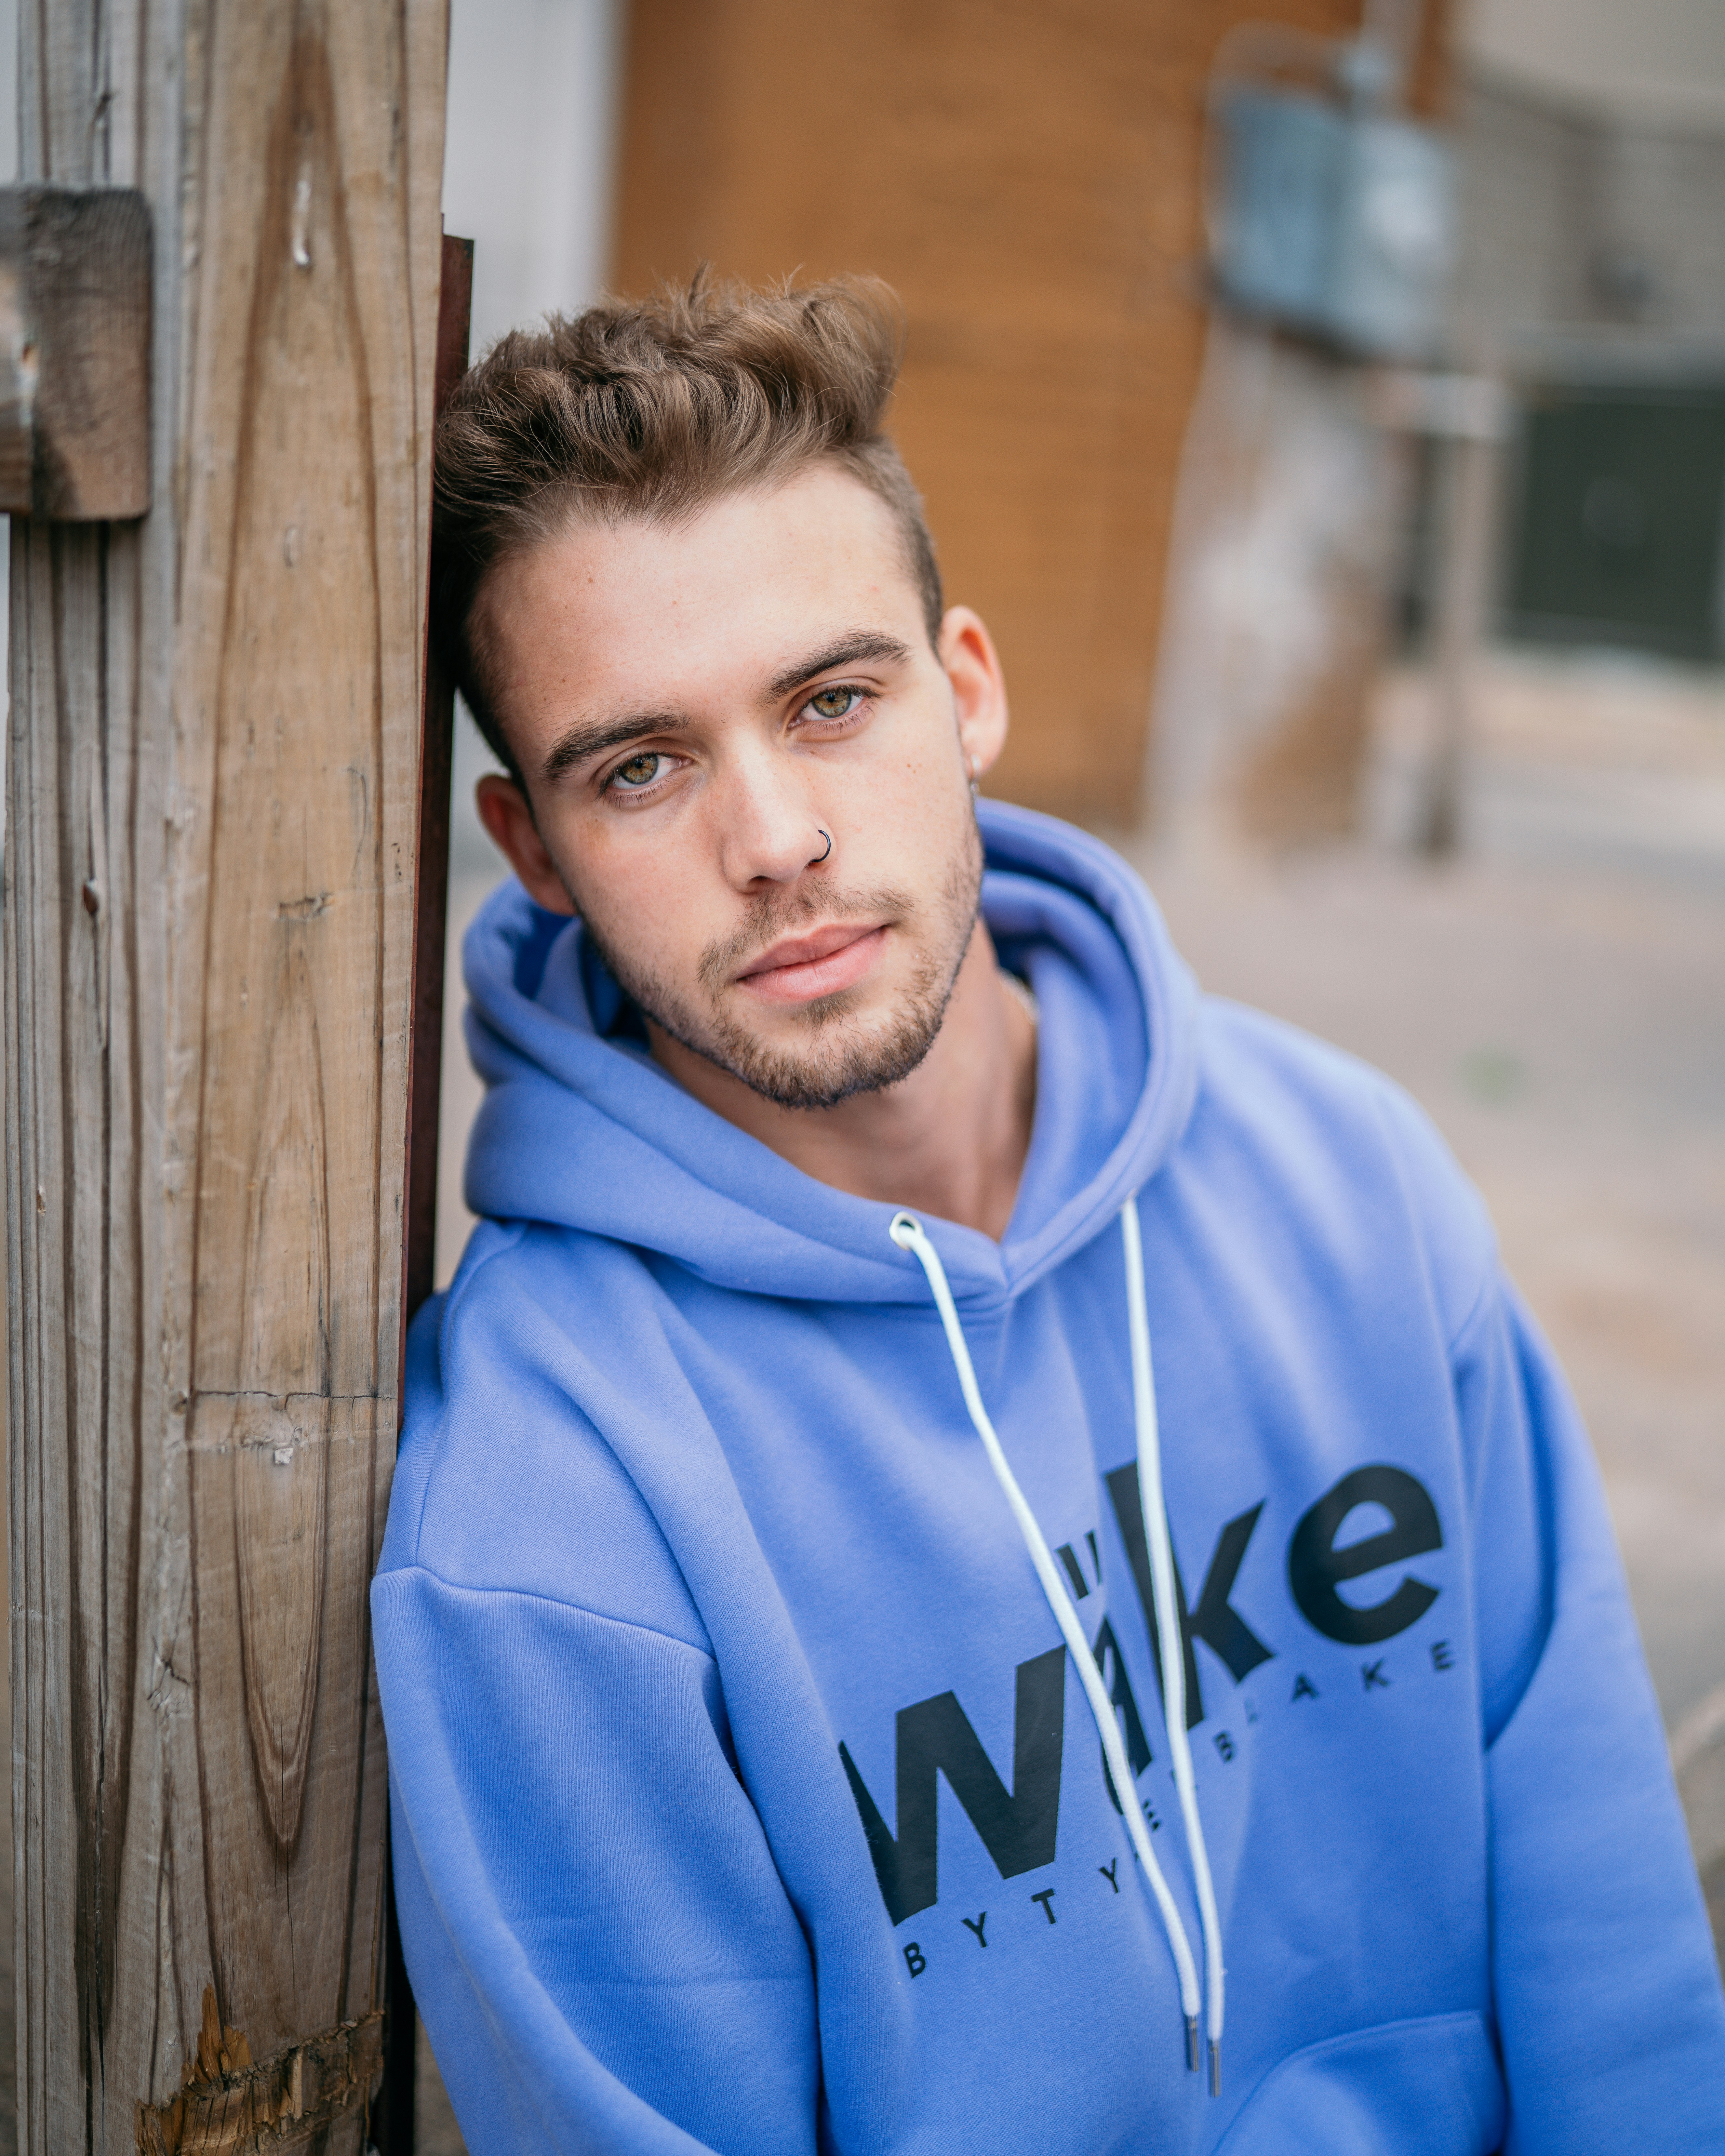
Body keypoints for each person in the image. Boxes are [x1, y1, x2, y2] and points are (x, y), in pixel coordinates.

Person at [372, 274, 1725, 2155]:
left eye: (832, 699)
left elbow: (1607, 1943)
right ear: (531, 848)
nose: (773, 838)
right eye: (643, 765)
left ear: (970, 689)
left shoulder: (1351, 1185)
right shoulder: (547, 1502)